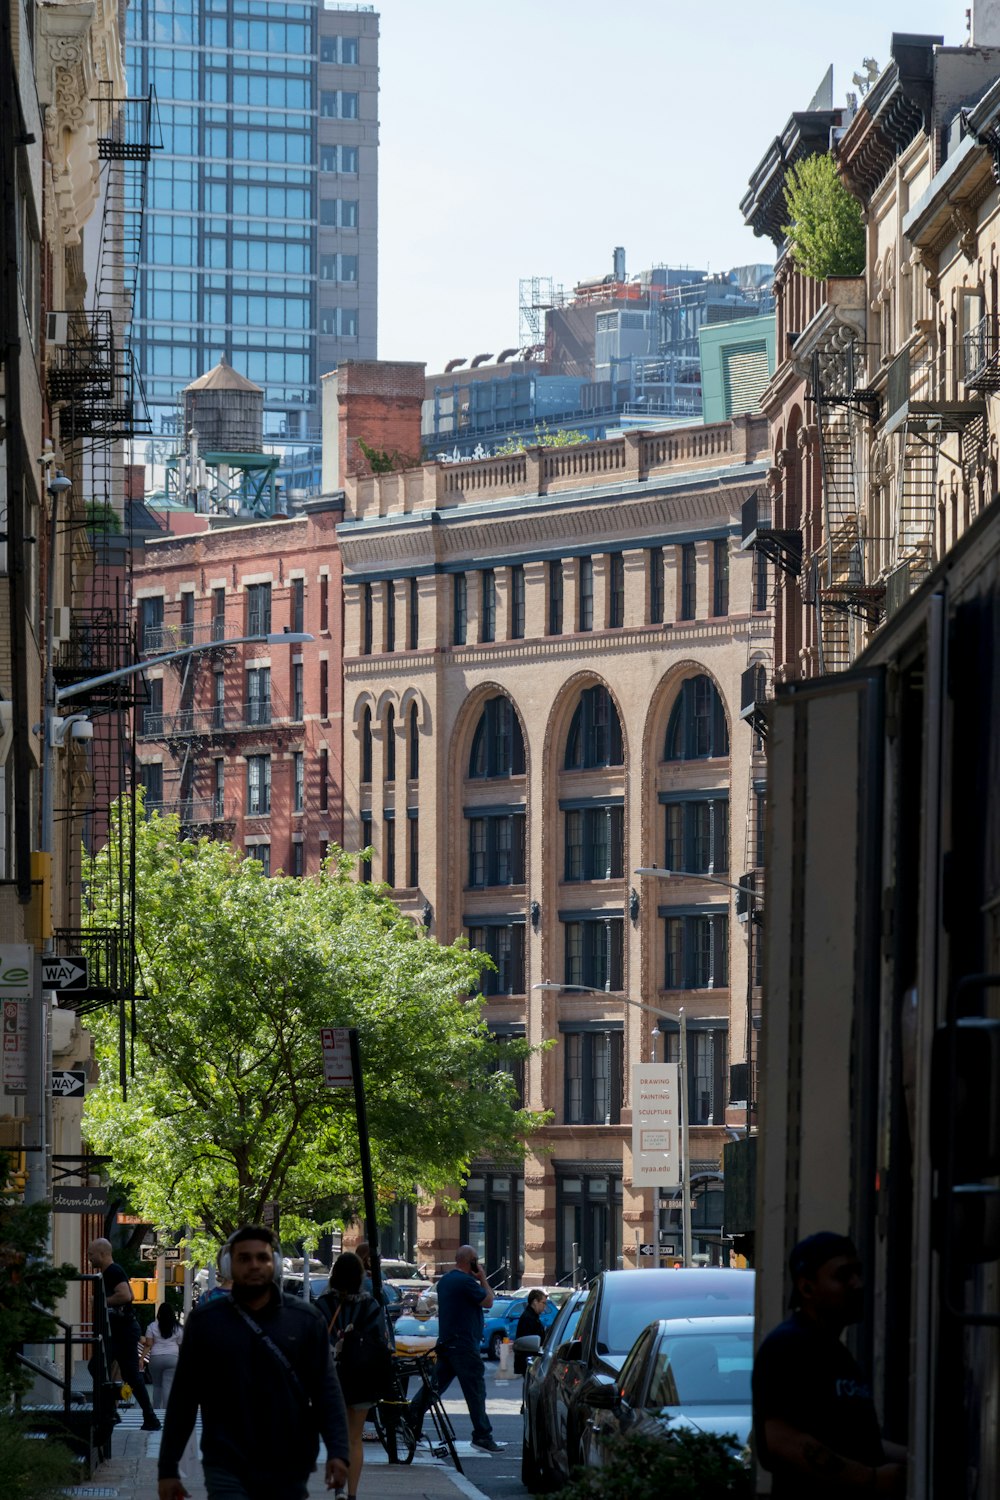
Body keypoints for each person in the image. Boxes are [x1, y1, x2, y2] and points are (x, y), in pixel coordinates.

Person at [156, 1225, 349, 1500]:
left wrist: (339, 1452)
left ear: (276, 1263)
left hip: (289, 1464)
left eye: (262, 1258)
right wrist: (167, 1468)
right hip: (225, 1462)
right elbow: (183, 1398)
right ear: (228, 1265)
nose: (254, 1265)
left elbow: (326, 1391)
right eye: (244, 1258)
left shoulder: (305, 1320)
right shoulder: (205, 1322)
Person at [752, 1231, 907, 1496]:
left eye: (858, 1272)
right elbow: (780, 1438)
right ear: (807, 1288)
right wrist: (870, 1479)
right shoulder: (790, 1347)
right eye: (843, 1275)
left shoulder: (835, 1352)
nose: (857, 1284)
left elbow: (854, 1442)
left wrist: (914, 1460)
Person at [407, 1245, 504, 1454]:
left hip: (447, 1343)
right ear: (470, 1261)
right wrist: (483, 1279)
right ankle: (482, 1435)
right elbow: (488, 1301)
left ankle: (409, 1419)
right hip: (464, 1346)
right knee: (475, 1391)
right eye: (476, 1260)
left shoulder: (445, 1282)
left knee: (433, 1388)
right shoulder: (467, 1282)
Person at [316, 1251, 391, 1500]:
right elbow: (380, 1342)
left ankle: (338, 1487)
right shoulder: (370, 1306)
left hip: (331, 1379)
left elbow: (312, 1342)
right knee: (355, 1438)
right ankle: (352, 1494)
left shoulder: (322, 1304)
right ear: (359, 1277)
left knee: (336, 1435)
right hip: (362, 1378)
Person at [86, 1238, 161, 1431]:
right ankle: (114, 1410)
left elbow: (126, 1296)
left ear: (102, 1254)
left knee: (126, 1374)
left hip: (124, 1332)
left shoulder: (113, 1271)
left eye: (91, 1254)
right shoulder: (110, 1272)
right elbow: (131, 1295)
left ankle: (144, 1416)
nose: (88, 1258)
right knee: (100, 1367)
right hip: (120, 1331)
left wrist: (101, 1301)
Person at [142, 1302, 183, 1408]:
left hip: (156, 1358)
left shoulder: (152, 1326)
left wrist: (141, 1359)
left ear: (159, 1314)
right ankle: (166, 1412)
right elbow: (181, 1345)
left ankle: (155, 1410)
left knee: (157, 1386)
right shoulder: (178, 1328)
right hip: (173, 1358)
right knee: (168, 1386)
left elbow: (148, 1344)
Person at [513, 1290, 548, 1375]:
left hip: (533, 1360)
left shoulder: (534, 1317)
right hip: (529, 1362)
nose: (545, 1306)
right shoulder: (528, 1318)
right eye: (543, 1303)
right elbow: (528, 1342)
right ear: (535, 1302)